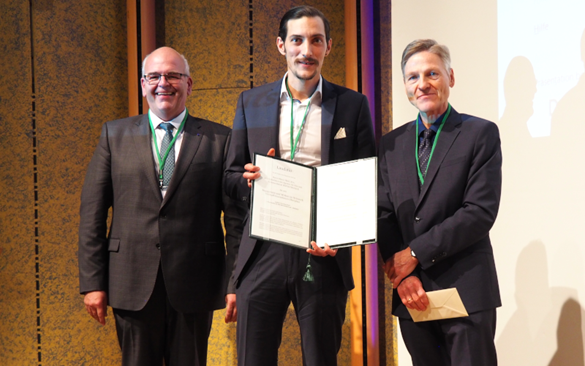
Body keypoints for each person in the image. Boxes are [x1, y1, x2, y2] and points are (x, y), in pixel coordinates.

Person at [224, 6, 376, 366]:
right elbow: (229, 177)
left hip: (321, 250)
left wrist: (340, 239)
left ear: (328, 46)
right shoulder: (251, 101)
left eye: (315, 40)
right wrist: (248, 181)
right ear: (281, 46)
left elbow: (367, 181)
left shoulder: (353, 105)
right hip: (262, 249)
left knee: (322, 359)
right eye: (297, 40)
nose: (306, 50)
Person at [78, 46, 245, 366]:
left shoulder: (220, 139)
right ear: (143, 84)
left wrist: (234, 282)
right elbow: (92, 214)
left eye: (173, 75)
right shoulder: (114, 135)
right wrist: (92, 282)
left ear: (189, 84)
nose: (163, 83)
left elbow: (236, 219)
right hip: (130, 281)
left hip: (195, 282)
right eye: (154, 76)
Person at [377, 39, 502, 366]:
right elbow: (383, 214)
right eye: (413, 77)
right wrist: (404, 276)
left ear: (450, 77)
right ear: (405, 86)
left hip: (466, 293)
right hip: (412, 294)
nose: (423, 84)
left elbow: (479, 212)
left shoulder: (480, 134)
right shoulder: (390, 145)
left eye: (432, 73)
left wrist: (415, 255)